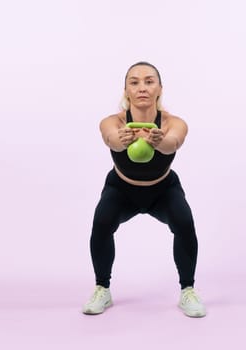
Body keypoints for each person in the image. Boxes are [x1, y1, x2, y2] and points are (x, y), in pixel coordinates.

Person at [82, 62, 206, 318]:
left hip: (163, 189)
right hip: (121, 189)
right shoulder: (113, 121)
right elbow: (110, 138)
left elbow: (174, 142)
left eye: (149, 82)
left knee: (184, 223)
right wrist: (120, 140)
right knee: (102, 223)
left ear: (159, 89)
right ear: (126, 90)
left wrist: (161, 142)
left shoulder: (173, 122)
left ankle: (188, 291)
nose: (142, 88)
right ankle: (102, 288)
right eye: (134, 82)